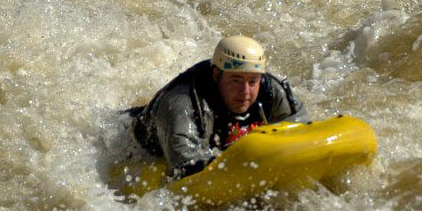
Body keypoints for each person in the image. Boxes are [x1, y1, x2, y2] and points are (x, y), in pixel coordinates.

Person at [132, 35, 308, 178]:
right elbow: (185, 168)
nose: (245, 91)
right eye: (236, 80)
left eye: (252, 81)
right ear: (217, 75)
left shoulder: (270, 89)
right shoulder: (182, 104)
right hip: (138, 141)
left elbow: (300, 129)